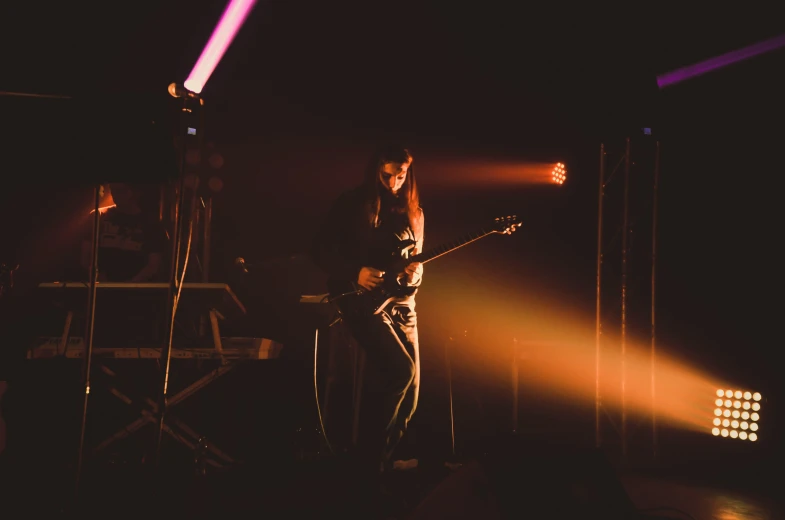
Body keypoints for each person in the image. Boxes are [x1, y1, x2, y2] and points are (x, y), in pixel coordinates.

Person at [312, 146, 424, 485]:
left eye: (400, 175)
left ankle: (382, 461)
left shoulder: (415, 213)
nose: (393, 182)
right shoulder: (352, 203)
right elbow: (318, 250)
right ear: (375, 169)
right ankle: (367, 465)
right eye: (387, 174)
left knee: (413, 392)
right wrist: (355, 272)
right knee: (400, 371)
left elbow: (417, 266)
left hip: (403, 305)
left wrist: (414, 277)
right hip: (359, 299)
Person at [81, 183, 168, 282]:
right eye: (113, 190)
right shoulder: (98, 216)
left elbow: (154, 264)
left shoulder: (151, 223)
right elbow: (86, 256)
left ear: (133, 192)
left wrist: (131, 284)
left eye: (120, 190)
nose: (115, 194)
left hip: (136, 291)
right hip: (102, 287)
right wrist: (99, 278)